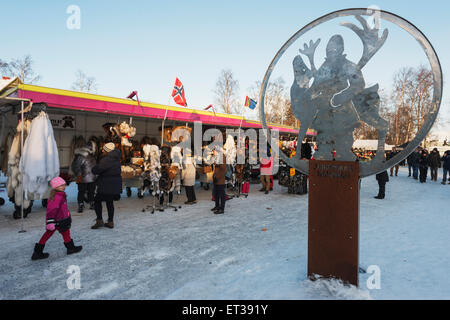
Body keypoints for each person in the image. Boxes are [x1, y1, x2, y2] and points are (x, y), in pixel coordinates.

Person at [31, 177, 82, 260]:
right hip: (57, 221)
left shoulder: (61, 195)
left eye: (64, 185)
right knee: (51, 234)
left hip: (62, 219)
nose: (63, 187)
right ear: (55, 187)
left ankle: (70, 248)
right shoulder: (56, 197)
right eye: (60, 185)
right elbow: (51, 210)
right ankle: (38, 252)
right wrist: (50, 222)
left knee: (65, 233)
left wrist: (67, 216)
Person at [91, 142, 122, 229]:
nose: (102, 150)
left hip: (106, 184)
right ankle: (110, 221)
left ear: (107, 150)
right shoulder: (116, 157)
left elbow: (97, 170)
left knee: (97, 201)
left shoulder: (107, 159)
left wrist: (93, 168)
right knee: (109, 202)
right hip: (114, 184)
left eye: (103, 149)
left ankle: (99, 220)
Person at [71, 145, 97, 213]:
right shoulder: (80, 157)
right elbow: (75, 167)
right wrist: (79, 175)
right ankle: (81, 204)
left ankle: (92, 203)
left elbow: (94, 166)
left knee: (91, 191)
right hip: (82, 178)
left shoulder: (92, 156)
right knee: (82, 192)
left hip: (92, 177)